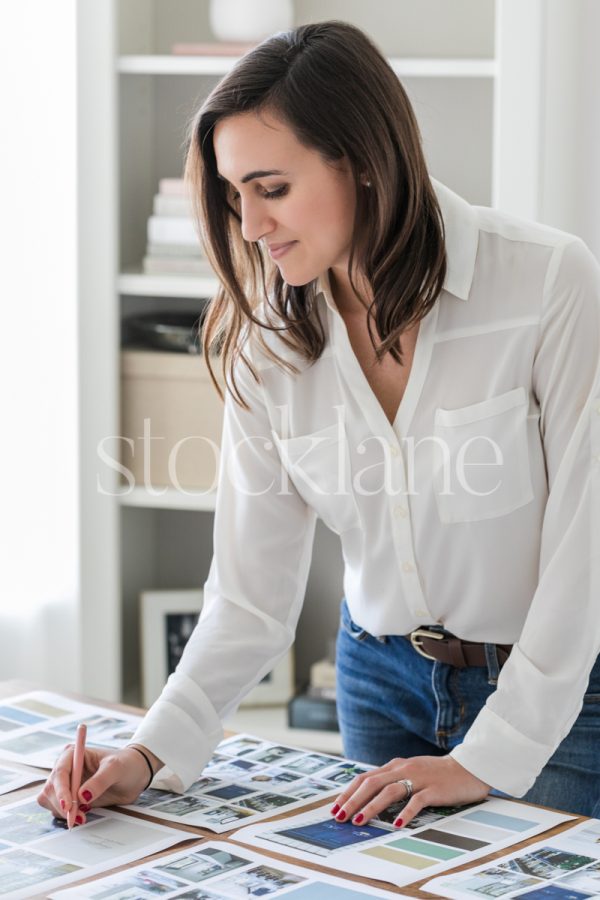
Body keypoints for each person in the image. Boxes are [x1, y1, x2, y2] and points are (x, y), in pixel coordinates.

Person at [39, 20, 600, 829]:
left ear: (364, 162)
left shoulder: (548, 283)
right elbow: (249, 593)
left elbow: (585, 551)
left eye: (272, 188)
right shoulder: (265, 336)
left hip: (558, 697)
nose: (251, 225)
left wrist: (488, 754)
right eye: (235, 196)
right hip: (376, 683)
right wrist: (148, 751)